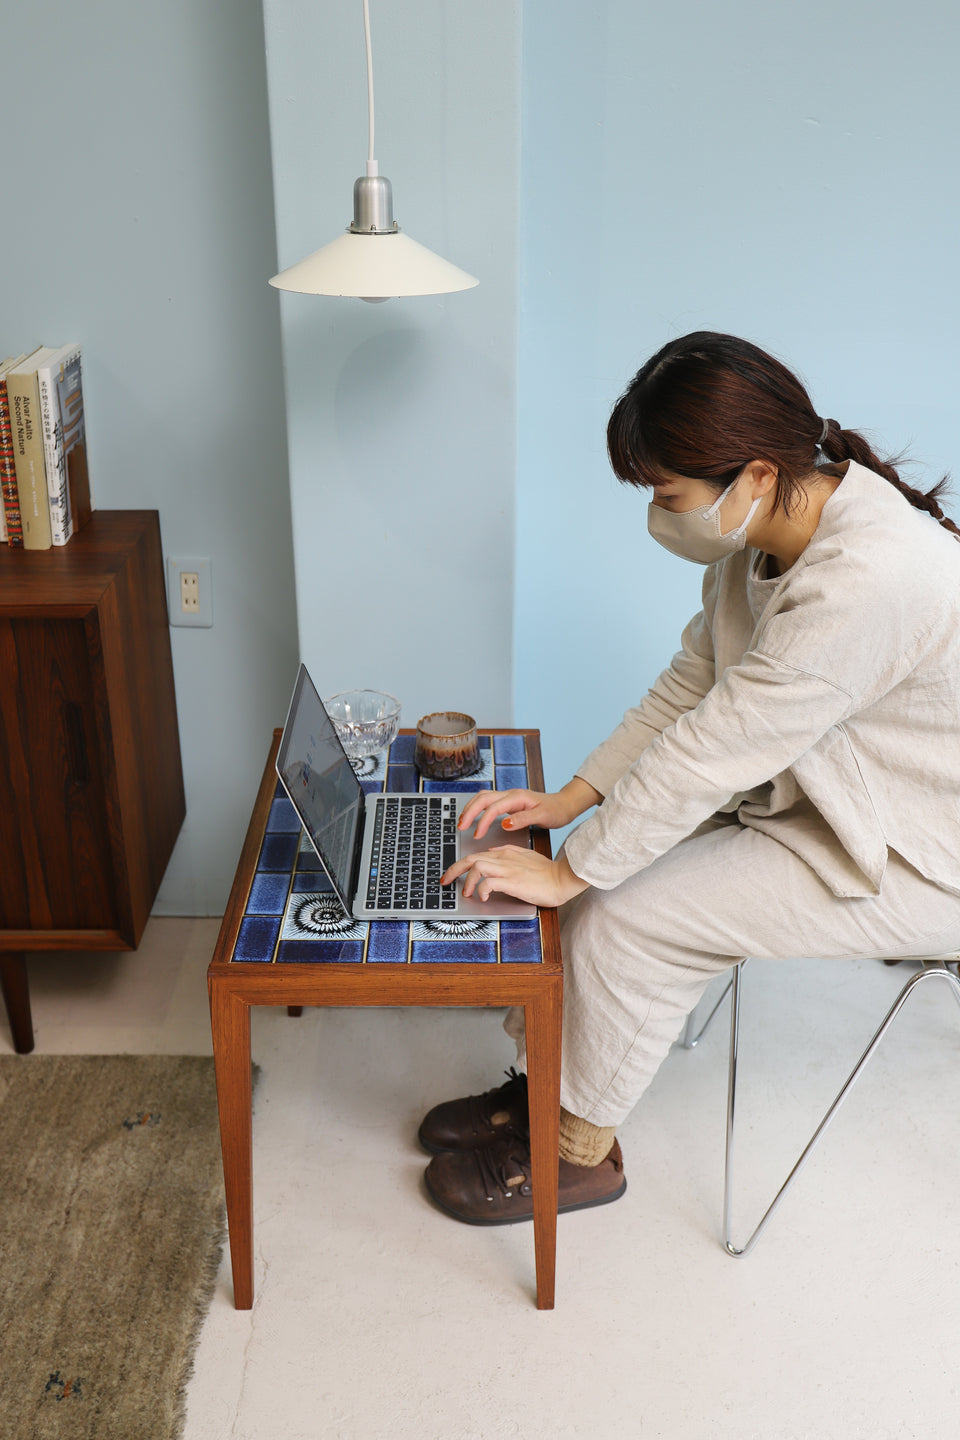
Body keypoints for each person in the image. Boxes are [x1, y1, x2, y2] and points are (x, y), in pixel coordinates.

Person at [421, 331, 960, 1225]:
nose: (658, 514)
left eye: (668, 493)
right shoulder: (764, 533)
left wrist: (571, 869)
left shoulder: (869, 577)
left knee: (626, 918)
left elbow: (715, 747)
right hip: (820, 798)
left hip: (917, 851)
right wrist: (571, 803)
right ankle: (546, 1087)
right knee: (598, 883)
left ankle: (575, 1155)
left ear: (755, 474)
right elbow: (690, 685)